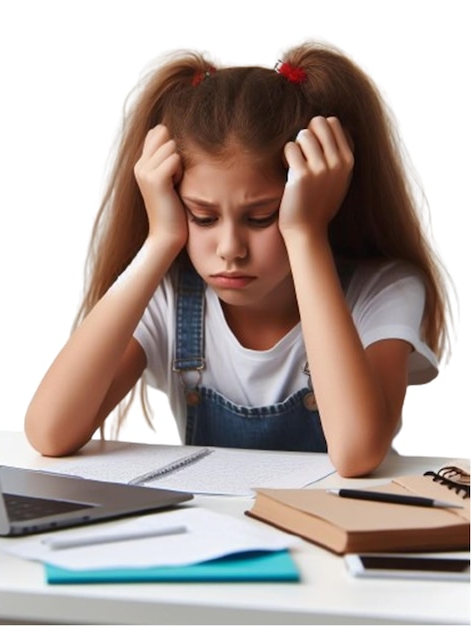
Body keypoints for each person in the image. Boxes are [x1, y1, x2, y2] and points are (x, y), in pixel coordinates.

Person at [25, 41, 450, 477]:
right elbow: (49, 432)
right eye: (203, 217)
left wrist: (305, 233)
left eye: (262, 217)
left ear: (317, 197)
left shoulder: (384, 290)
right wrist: (161, 239)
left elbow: (357, 453)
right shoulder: (170, 298)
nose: (230, 248)